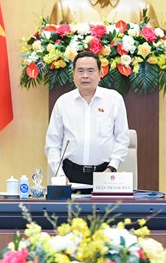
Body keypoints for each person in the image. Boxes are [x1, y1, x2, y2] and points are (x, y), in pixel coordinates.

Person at [45, 50, 131, 185]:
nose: (85, 75)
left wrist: (111, 167)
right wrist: (60, 175)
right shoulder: (63, 102)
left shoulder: (114, 99)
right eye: (80, 71)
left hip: (104, 173)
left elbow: (122, 138)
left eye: (90, 71)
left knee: (106, 208)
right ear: (73, 74)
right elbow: (52, 143)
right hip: (69, 174)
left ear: (100, 74)